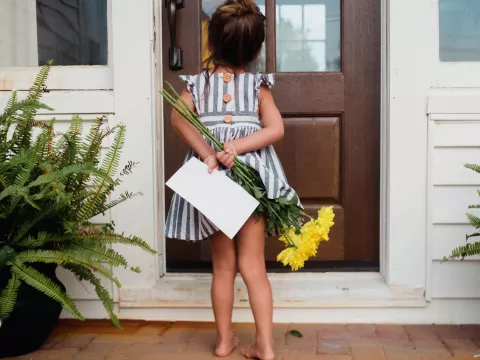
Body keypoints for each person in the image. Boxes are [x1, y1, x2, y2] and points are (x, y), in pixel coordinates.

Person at [164, 1, 301, 359]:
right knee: (253, 266)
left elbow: (178, 120)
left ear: (210, 45)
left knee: (223, 266)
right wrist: (239, 146)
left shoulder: (197, 84)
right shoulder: (258, 86)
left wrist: (208, 153)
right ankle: (266, 346)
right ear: (257, 50)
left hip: (214, 183)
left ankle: (225, 341)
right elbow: (276, 129)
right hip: (250, 180)